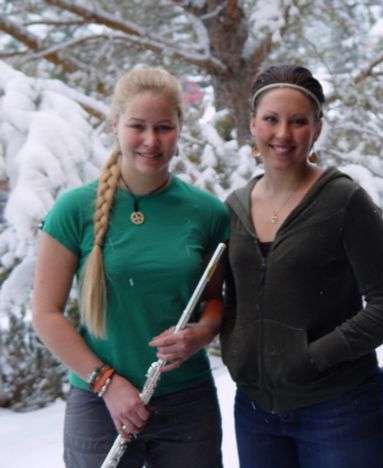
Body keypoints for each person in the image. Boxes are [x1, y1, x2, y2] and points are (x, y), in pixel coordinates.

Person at [32, 67, 229, 468]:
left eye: (164, 127)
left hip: (187, 400)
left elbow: (216, 301)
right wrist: (107, 383)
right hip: (99, 402)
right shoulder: (73, 210)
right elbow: (45, 314)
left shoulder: (207, 212)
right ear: (115, 124)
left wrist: (202, 333)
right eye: (138, 126)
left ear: (180, 129)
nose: (151, 141)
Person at [221, 64, 383, 468]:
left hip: (338, 408)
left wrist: (314, 357)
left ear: (317, 129)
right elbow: (228, 298)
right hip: (256, 411)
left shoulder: (343, 202)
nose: (283, 134)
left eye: (298, 121)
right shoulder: (235, 208)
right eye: (271, 119)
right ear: (252, 124)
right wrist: (235, 349)